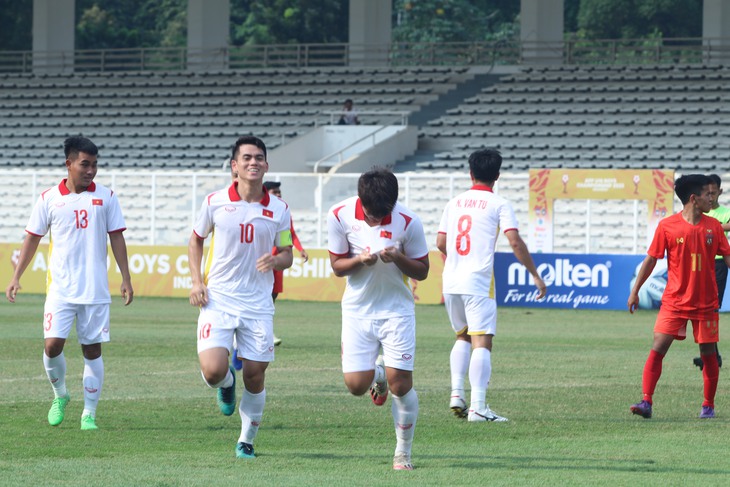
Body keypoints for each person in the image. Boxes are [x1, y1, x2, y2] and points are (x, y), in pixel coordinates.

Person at [5, 136, 134, 431]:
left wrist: (125, 277)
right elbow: (32, 238)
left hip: (95, 291)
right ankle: (60, 395)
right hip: (61, 289)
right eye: (85, 164)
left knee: (92, 351)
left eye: (95, 165)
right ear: (69, 164)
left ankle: (89, 413)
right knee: (52, 346)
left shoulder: (107, 197)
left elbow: (116, 236)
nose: (91, 171)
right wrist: (16, 277)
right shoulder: (49, 198)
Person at [188, 135, 293, 459]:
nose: (253, 162)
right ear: (235, 166)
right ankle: (225, 386)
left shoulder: (279, 209)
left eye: (259, 158)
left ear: (266, 165)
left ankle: (246, 440)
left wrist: (276, 260)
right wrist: (196, 282)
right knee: (213, 371)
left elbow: (288, 252)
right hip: (218, 299)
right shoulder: (215, 202)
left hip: (257, 305)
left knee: (255, 374)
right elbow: (195, 241)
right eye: (246, 158)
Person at [327, 167, 429, 471]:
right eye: (371, 214)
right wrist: (360, 260)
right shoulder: (339, 214)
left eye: (383, 214)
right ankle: (378, 374)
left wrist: (398, 257)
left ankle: (403, 453)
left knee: (402, 385)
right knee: (356, 386)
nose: (375, 219)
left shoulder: (409, 221)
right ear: (361, 201)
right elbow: (336, 265)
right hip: (358, 310)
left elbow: (422, 270)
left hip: (396, 310)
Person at [436, 148, 547, 423]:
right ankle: (478, 407)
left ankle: (456, 394)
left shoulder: (454, 202)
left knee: (461, 336)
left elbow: (440, 242)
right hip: (478, 281)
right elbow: (514, 241)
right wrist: (534, 274)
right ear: (497, 176)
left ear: (470, 173)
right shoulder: (499, 204)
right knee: (482, 342)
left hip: (451, 281)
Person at [628, 174, 730, 420]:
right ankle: (646, 402)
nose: (712, 197)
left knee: (708, 354)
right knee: (658, 348)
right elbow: (651, 259)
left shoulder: (714, 227)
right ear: (694, 199)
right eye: (708, 194)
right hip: (674, 302)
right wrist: (634, 291)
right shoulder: (667, 226)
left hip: (706, 304)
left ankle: (708, 406)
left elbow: (727, 257)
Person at [264, 180, 310, 348]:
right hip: (263, 263)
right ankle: (263, 333)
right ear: (266, 192)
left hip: (278, 262)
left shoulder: (282, 211)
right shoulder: (259, 210)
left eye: (279, 192)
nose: (278, 195)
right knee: (263, 298)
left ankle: (266, 331)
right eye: (274, 192)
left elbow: (289, 233)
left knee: (272, 297)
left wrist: (300, 249)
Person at [693, 173, 730, 370]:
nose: (710, 196)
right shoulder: (700, 210)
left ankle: (713, 355)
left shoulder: (723, 213)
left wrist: (713, 228)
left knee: (712, 307)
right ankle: (710, 353)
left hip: (717, 264)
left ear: (720, 192)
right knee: (701, 308)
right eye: (706, 192)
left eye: (713, 192)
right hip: (699, 263)